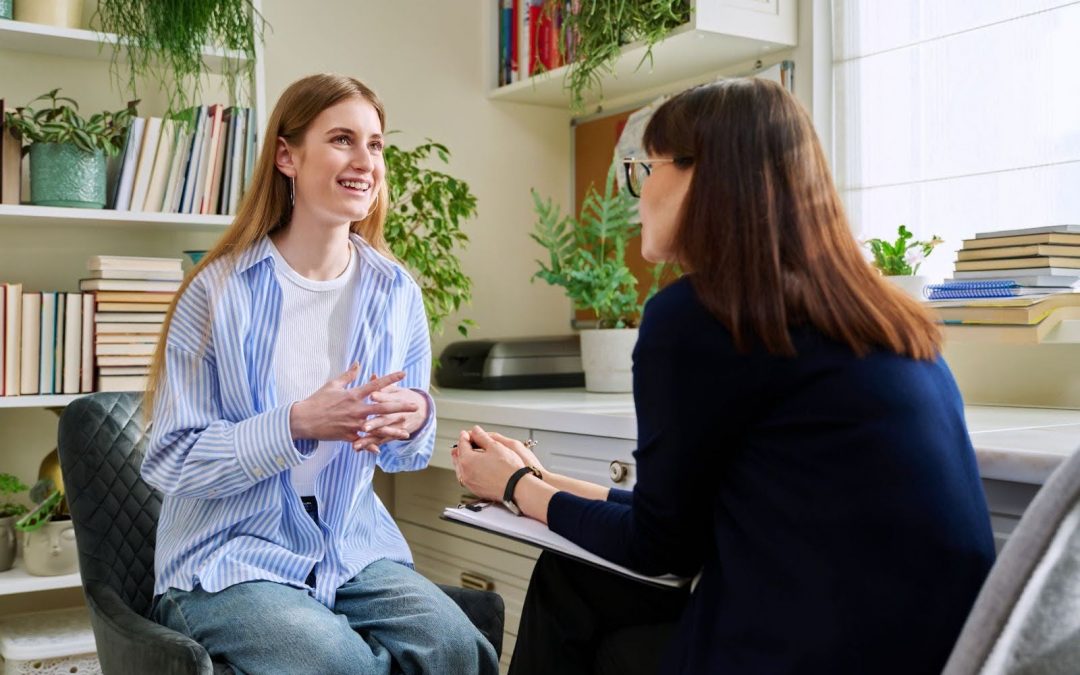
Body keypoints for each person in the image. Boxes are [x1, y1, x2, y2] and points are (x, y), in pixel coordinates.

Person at [452, 77, 996, 675]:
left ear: (702, 175)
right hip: (935, 653)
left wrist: (513, 491)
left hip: (813, 653)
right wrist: (540, 478)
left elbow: (660, 548)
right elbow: (684, 516)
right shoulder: (883, 318)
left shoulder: (700, 317)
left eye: (645, 168)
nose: (638, 193)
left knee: (579, 600)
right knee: (578, 579)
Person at [141, 73, 498, 675]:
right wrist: (297, 424)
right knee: (340, 664)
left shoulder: (396, 293)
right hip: (229, 552)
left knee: (456, 647)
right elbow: (170, 460)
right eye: (342, 140)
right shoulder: (217, 291)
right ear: (287, 155)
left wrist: (415, 419)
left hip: (351, 545)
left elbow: (404, 459)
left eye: (376, 145)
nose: (366, 161)